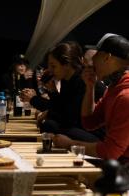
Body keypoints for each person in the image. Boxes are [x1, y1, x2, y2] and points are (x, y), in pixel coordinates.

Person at [53, 33, 129, 163]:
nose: (92, 61)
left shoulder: (125, 96)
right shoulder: (114, 87)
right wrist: (90, 87)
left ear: (107, 58)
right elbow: (89, 122)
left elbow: (110, 152)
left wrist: (69, 144)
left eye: (96, 55)